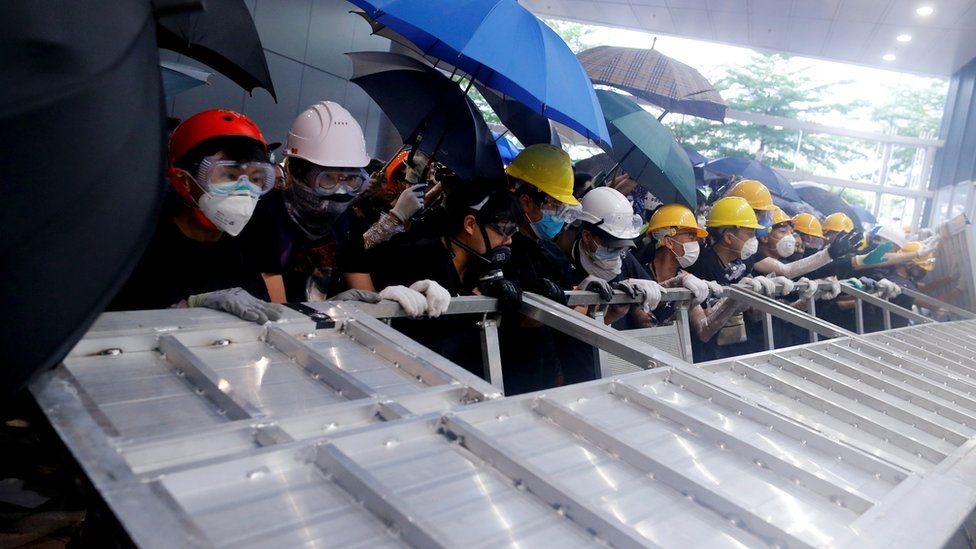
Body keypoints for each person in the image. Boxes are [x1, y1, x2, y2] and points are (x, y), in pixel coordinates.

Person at [109, 109, 283, 324]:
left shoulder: (251, 237)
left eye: (256, 178)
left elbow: (269, 311)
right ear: (184, 179)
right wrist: (189, 306)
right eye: (229, 175)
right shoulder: (140, 239)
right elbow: (117, 321)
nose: (244, 190)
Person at [350, 184, 522, 376]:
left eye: (514, 232)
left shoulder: (481, 267)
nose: (509, 240)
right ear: (470, 225)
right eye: (505, 229)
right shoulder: (417, 257)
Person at [685, 196, 769, 361]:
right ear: (729, 237)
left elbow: (755, 316)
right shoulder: (701, 265)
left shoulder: (743, 263)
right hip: (707, 356)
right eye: (749, 233)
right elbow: (703, 328)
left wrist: (764, 295)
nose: (754, 239)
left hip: (737, 349)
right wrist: (735, 298)